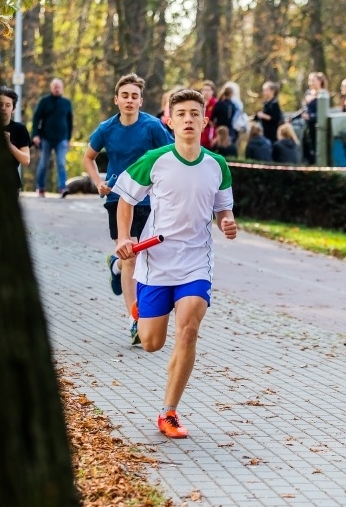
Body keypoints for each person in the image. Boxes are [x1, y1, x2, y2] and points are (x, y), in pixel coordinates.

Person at [112, 88, 237, 439]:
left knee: (189, 329)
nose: (188, 119)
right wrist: (125, 239)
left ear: (204, 121)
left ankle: (169, 412)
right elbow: (125, 199)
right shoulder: (156, 159)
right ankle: (125, 278)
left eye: (194, 114)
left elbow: (223, 209)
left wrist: (227, 221)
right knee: (151, 342)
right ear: (169, 120)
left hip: (196, 262)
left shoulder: (218, 165)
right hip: (155, 261)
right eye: (180, 114)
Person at [82, 74, 175, 344]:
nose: (130, 100)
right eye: (125, 95)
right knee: (131, 256)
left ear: (141, 100)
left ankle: (116, 265)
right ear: (116, 99)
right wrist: (98, 181)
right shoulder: (106, 128)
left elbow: (170, 156)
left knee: (143, 258)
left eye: (134, 96)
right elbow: (88, 157)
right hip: (117, 199)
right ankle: (135, 320)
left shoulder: (153, 126)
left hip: (148, 200)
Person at [33, 78, 73, 197]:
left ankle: (62, 188)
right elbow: (36, 118)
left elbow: (70, 121)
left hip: (62, 138)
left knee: (61, 163)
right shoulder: (44, 101)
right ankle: (40, 187)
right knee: (43, 164)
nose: (57, 89)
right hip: (46, 138)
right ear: (51, 88)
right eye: (55, 86)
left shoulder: (66, 103)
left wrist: (68, 138)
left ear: (62, 88)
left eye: (59, 87)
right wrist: (35, 135)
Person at [0, 88, 32, 194]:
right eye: (0, 104)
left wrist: (9, 144)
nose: (3, 108)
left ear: (13, 109)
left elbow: (26, 160)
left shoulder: (19, 129)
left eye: (8, 105)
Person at [301, 72, 327, 164]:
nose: (311, 83)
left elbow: (323, 112)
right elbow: (304, 109)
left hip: (317, 126)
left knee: (317, 147)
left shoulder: (323, 94)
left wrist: (311, 117)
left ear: (320, 81)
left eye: (313, 80)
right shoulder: (308, 93)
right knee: (306, 146)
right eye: (310, 80)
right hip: (307, 125)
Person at [200, 80, 218, 148]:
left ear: (212, 91)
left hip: (211, 132)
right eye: (204, 90)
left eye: (208, 90)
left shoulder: (215, 103)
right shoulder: (199, 103)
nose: (206, 92)